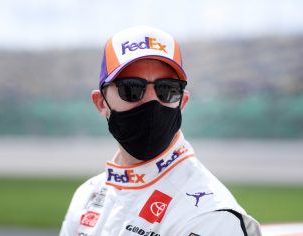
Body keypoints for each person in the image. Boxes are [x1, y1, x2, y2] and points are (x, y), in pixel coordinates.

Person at [60, 25, 262, 236]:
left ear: (182, 102)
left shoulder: (209, 214)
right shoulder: (87, 195)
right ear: (101, 103)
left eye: (167, 89)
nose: (151, 102)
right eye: (131, 88)